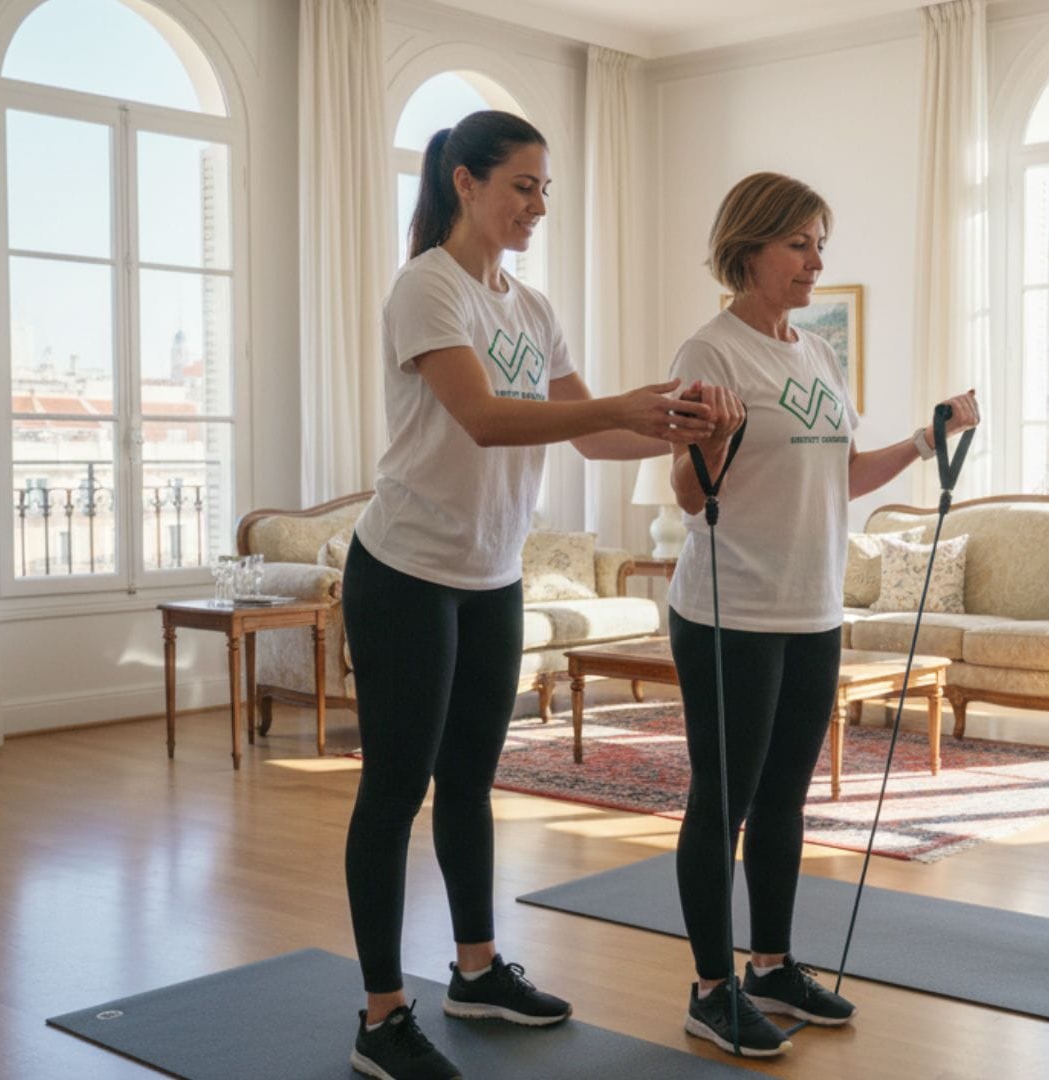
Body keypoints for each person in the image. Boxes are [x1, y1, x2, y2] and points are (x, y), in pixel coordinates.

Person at [343, 110, 728, 1080]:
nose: (538, 205)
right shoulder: (426, 288)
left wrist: (689, 428)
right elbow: (480, 418)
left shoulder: (532, 304)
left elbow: (595, 439)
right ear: (465, 183)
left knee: (470, 781)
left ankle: (475, 971)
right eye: (523, 185)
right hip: (404, 573)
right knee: (394, 792)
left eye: (547, 188)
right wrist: (618, 404)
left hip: (489, 576)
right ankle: (382, 1016)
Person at [665, 171, 980, 1058]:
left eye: (818, 244)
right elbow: (689, 493)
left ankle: (769, 964)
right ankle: (710, 988)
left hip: (811, 608)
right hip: (730, 610)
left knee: (784, 801)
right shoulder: (711, 351)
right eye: (799, 243)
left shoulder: (817, 353)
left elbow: (839, 477)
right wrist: (716, 441)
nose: (814, 261)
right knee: (719, 802)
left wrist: (927, 440)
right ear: (750, 249)